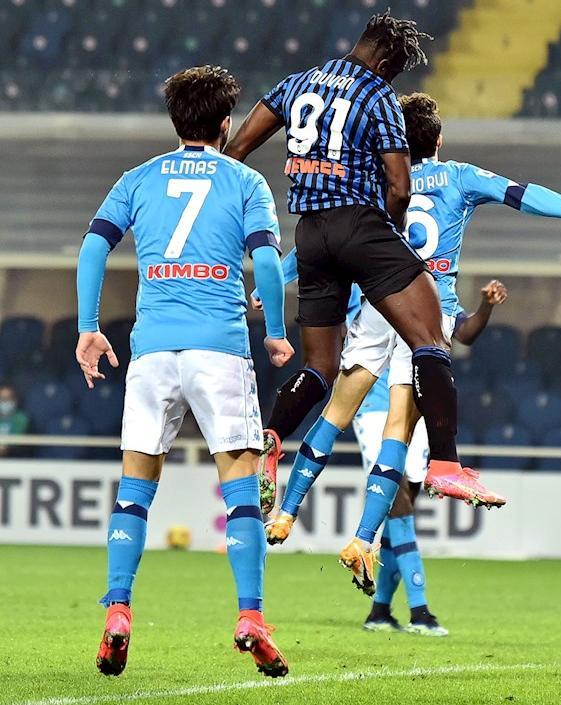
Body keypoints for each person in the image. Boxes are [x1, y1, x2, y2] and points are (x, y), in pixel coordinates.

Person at [260, 90, 561, 593]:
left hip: (377, 304)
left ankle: (286, 511)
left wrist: (271, 282)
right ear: (440, 139)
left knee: (336, 411)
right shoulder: (459, 177)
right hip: (427, 311)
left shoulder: (375, 180)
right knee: (398, 430)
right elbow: (523, 194)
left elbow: (323, 240)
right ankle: (362, 540)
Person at [75, 66, 293, 678]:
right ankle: (250, 617)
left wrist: (88, 326)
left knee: (134, 488)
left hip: (152, 350)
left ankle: (119, 609)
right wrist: (276, 332)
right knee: (242, 487)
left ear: (175, 120)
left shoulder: (138, 178)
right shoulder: (245, 181)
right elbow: (267, 263)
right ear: (226, 123)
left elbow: (93, 246)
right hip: (218, 348)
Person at [223, 13, 474, 540]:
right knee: (430, 336)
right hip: (361, 225)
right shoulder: (379, 97)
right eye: (395, 71)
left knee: (320, 365)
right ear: (384, 63)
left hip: (311, 235)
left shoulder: (297, 83)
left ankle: (271, 435)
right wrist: (389, 246)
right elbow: (399, 188)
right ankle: (446, 464)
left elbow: (238, 152)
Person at [361, 279, 507, 635]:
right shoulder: (366, 277)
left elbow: (465, 333)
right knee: (398, 505)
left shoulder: (431, 285)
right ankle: (420, 611)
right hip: (376, 408)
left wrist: (486, 306)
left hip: (418, 406)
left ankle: (379, 611)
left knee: (403, 508)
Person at [0, 384, 29, 457]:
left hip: (15, 457)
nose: (4, 401)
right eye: (2, 399)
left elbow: (18, 442)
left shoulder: (21, 418)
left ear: (14, 400)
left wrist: (6, 449)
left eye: (8, 398)